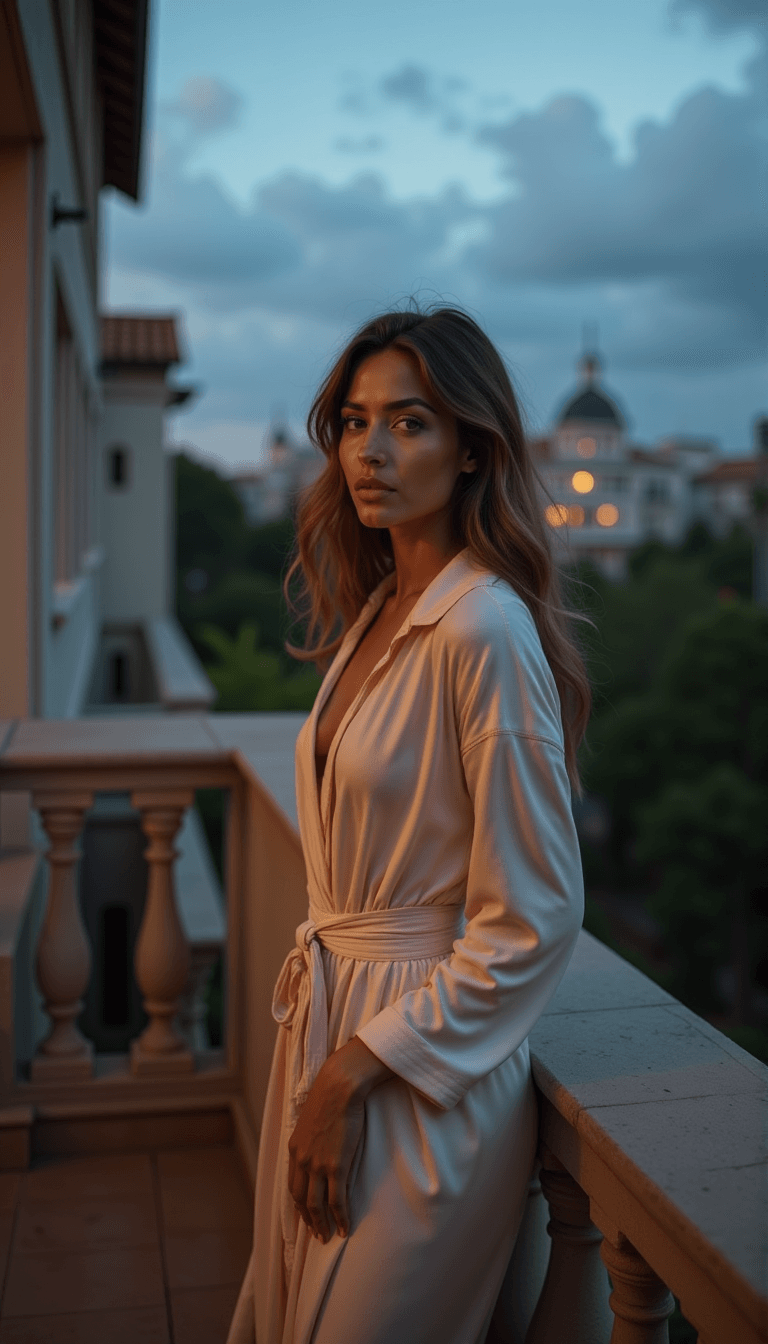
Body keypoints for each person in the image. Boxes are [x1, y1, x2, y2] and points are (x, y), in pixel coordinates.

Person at [227, 306, 589, 1344]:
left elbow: (534, 918)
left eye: (410, 423)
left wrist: (354, 1069)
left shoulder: (484, 628)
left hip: (422, 1074)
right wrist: (327, 1063)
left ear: (473, 448)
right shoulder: (384, 607)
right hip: (333, 1032)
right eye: (352, 421)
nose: (370, 452)